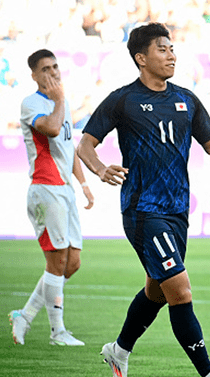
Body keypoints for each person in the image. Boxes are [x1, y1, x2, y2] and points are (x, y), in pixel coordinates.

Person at [76, 23, 210, 377]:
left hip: (177, 211)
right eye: (162, 49)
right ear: (141, 58)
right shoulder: (123, 99)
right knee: (181, 291)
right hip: (143, 210)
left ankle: (118, 350)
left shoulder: (186, 99)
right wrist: (99, 169)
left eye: (172, 48)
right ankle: (209, 372)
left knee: (156, 290)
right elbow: (85, 144)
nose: (171, 55)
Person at [9, 49, 94, 347]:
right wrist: (58, 101)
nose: (53, 72)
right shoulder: (32, 103)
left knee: (72, 263)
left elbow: (68, 147)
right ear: (34, 75)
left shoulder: (62, 103)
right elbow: (52, 128)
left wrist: (83, 184)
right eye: (45, 69)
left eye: (55, 66)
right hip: (45, 188)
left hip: (65, 190)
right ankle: (57, 332)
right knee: (57, 260)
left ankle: (25, 315)